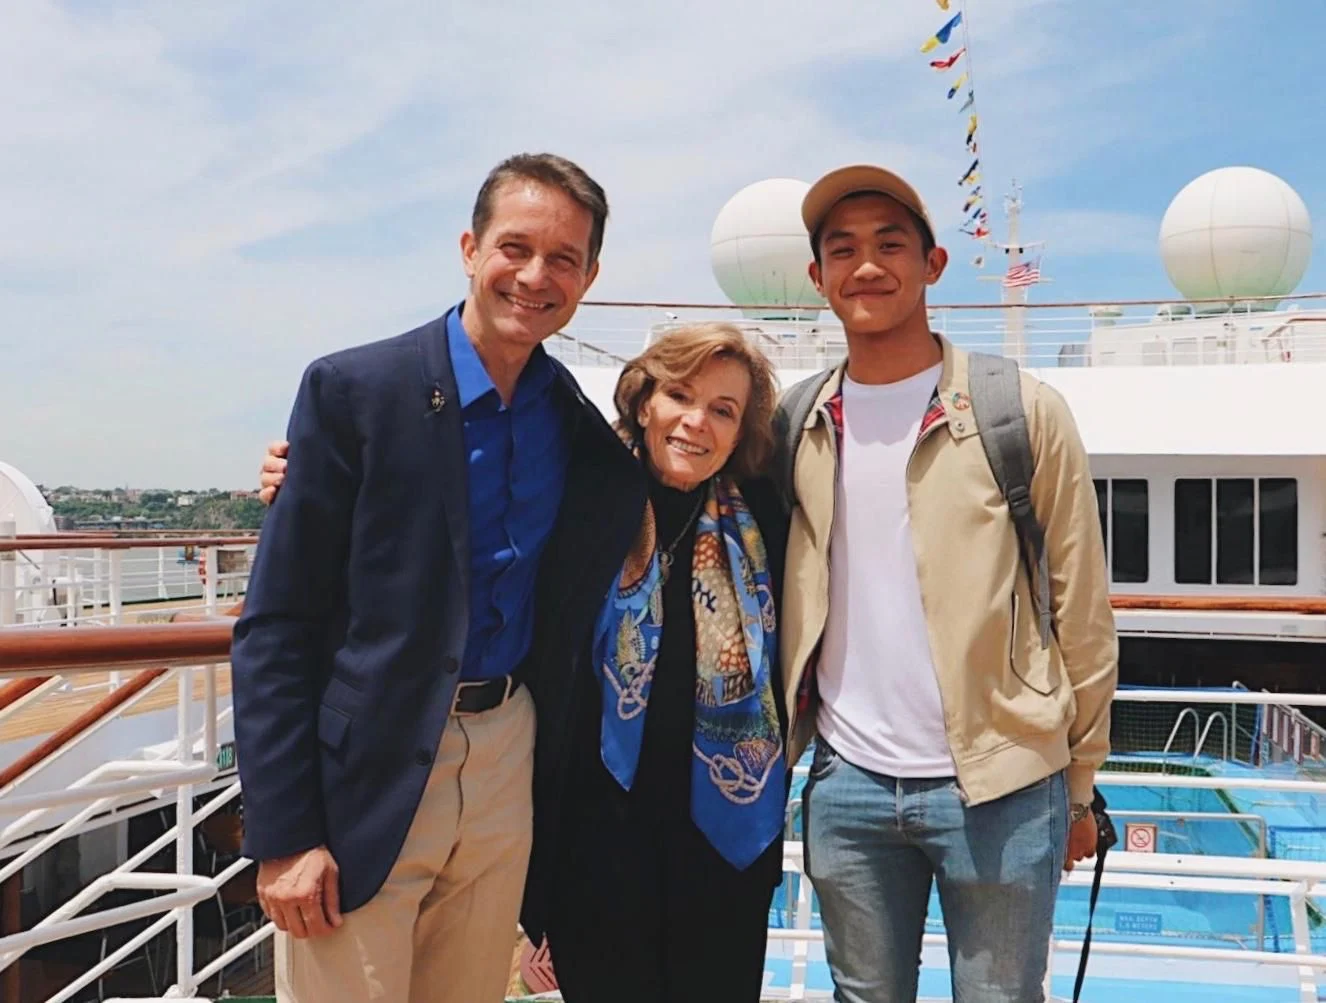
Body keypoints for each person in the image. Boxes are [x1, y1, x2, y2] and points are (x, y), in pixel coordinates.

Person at [260, 323, 792, 1003]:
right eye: (680, 394)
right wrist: (301, 474)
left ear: (743, 426)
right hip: (596, 837)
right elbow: (452, 487)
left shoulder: (766, 511)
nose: (696, 422)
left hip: (723, 839)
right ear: (644, 399)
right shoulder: (582, 486)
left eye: (723, 408)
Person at [229, 151, 614, 1003]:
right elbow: (276, 623)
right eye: (516, 247)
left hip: (506, 753)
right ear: (471, 248)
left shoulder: (574, 422)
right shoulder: (354, 393)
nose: (535, 276)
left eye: (564, 259)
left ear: (589, 276)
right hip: (370, 766)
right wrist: (284, 835)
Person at [778, 164, 1119, 1003]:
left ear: (932, 265)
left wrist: (1079, 783)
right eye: (842, 249)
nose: (866, 265)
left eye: (890, 244)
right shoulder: (796, 421)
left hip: (1003, 784)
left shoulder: (1020, 411)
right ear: (817, 277)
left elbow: (1081, 606)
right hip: (846, 779)